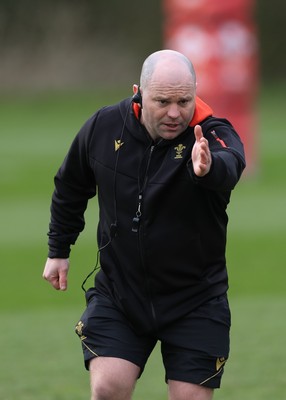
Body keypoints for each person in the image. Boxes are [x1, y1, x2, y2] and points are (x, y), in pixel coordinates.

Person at [43, 49, 245, 400]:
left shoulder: (210, 134)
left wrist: (208, 167)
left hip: (195, 298)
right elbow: (71, 185)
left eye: (184, 100)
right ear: (139, 91)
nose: (174, 113)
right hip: (121, 294)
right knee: (108, 387)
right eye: (162, 101)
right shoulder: (104, 126)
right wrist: (58, 250)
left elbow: (231, 163)